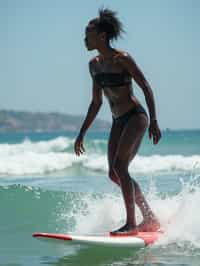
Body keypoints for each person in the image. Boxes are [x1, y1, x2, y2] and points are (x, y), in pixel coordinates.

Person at [74, 8, 161, 235]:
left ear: (102, 36)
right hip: (118, 120)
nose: (85, 38)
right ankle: (149, 217)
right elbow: (96, 103)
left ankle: (132, 224)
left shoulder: (123, 59)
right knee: (114, 174)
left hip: (135, 117)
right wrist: (82, 133)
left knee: (121, 167)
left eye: (88, 34)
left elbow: (145, 86)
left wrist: (154, 120)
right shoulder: (94, 65)